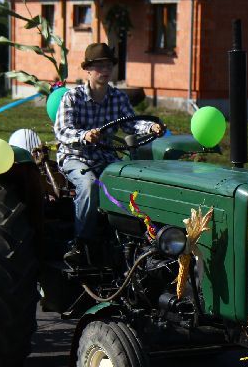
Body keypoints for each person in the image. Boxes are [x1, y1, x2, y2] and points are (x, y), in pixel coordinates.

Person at [54, 42, 165, 265]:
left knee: (131, 181)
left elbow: (131, 124)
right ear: (88, 69)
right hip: (76, 157)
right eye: (98, 66)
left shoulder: (118, 98)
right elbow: (62, 131)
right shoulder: (72, 98)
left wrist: (150, 128)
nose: (104, 71)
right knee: (88, 185)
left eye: (108, 66)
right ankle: (81, 243)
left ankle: (134, 238)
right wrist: (84, 136)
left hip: (106, 157)